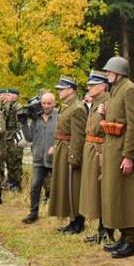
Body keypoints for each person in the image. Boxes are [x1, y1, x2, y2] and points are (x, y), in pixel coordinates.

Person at [100, 57, 134, 258]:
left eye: (109, 71)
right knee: (116, 195)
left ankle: (131, 241)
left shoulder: (129, 89)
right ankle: (122, 237)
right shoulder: (116, 90)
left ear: (119, 72)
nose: (107, 74)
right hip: (113, 148)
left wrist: (129, 155)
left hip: (123, 149)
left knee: (129, 195)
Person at [48, 75, 85, 234]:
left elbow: (78, 135)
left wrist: (74, 156)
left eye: (61, 89)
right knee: (65, 186)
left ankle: (78, 222)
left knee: (73, 186)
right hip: (62, 148)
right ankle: (71, 219)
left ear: (70, 90)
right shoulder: (67, 106)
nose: (59, 92)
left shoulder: (77, 107)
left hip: (70, 149)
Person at [78, 71, 111, 244]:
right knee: (94, 192)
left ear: (103, 85)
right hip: (92, 148)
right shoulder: (95, 103)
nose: (89, 88)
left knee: (101, 191)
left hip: (101, 150)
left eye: (92, 85)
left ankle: (106, 231)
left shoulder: (107, 102)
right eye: (89, 85)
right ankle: (101, 230)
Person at [20, 92, 57, 223]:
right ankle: (33, 213)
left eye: (49, 103)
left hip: (54, 159)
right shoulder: (37, 119)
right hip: (38, 159)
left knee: (56, 186)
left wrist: (56, 147)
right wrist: (23, 123)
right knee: (35, 186)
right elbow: (29, 137)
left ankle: (58, 212)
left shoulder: (59, 117)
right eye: (44, 103)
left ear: (54, 103)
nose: (46, 106)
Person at [0, 88, 24, 190]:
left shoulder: (18, 107)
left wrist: (17, 139)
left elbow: (20, 125)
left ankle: (17, 184)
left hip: (14, 138)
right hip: (8, 137)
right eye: (7, 95)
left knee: (15, 162)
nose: (7, 97)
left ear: (15, 96)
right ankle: (11, 181)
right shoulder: (8, 106)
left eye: (10, 95)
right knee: (9, 161)